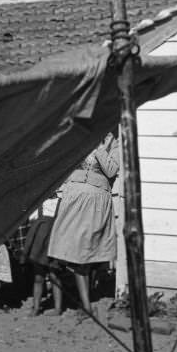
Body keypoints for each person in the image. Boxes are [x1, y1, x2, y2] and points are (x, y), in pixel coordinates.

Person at [47, 132, 119, 316]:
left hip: (95, 202)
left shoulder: (114, 143)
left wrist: (98, 147)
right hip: (72, 199)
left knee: (85, 254)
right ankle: (80, 302)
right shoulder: (78, 138)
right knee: (69, 251)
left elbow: (111, 170)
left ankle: (86, 303)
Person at [20, 197, 63, 316]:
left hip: (54, 243)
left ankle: (58, 308)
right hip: (39, 245)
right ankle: (36, 307)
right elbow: (31, 221)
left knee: (55, 276)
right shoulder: (38, 204)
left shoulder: (61, 202)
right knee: (38, 277)